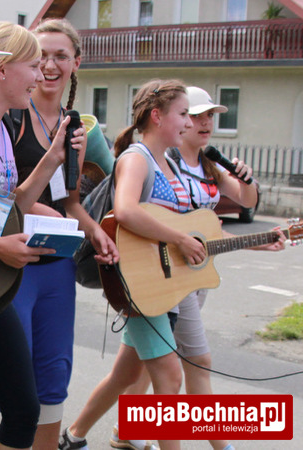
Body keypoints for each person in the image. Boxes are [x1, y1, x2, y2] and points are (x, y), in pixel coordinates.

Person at [0, 19, 119, 449]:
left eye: (59, 57)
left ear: (76, 64)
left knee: (52, 379)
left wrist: (95, 232)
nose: (48, 67)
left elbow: (72, 201)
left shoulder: (76, 125)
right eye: (40, 58)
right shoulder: (5, 113)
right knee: (8, 386)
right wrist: (48, 214)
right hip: (10, 259)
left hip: (57, 261)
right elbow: (4, 196)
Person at [107, 86, 282, 450]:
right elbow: (141, 215)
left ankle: (109, 432)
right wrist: (181, 240)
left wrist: (247, 182)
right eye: (193, 114)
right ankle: (221, 445)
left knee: (139, 371)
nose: (201, 123)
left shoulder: (208, 165)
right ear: (167, 118)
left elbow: (236, 207)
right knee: (181, 368)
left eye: (208, 116)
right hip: (159, 275)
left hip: (189, 275)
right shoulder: (161, 161)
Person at [0, 20, 85, 450]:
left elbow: (11, 205)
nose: (40, 74)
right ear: (2, 69)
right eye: (33, 64)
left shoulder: (4, 129)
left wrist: (54, 157)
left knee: (24, 408)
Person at [59, 79, 205, 450]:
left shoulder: (169, 162)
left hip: (161, 285)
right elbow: (125, 210)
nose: (189, 123)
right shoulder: (137, 158)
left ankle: (73, 437)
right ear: (157, 116)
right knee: (169, 380)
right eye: (183, 114)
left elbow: (181, 224)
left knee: (125, 375)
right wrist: (178, 239)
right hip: (138, 287)